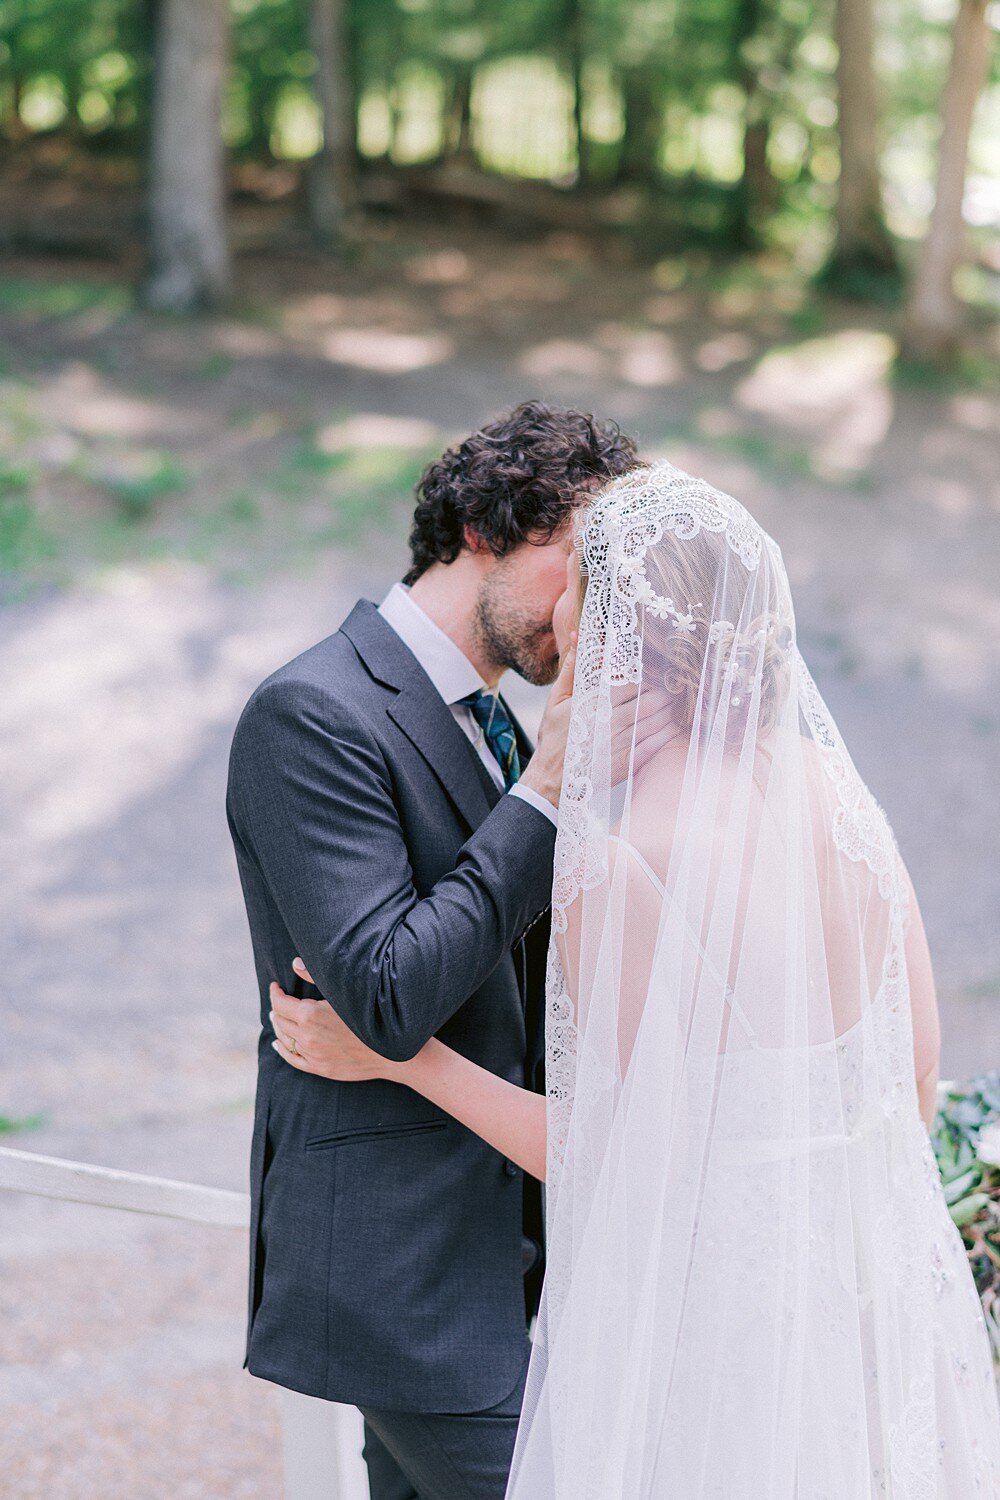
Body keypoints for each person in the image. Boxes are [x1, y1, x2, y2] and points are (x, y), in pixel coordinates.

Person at [272, 461, 1000, 1497]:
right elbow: (912, 1086)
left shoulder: (624, 854)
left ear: (603, 628)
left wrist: (412, 1065)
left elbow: (600, 1153)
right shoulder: (847, 811)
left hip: (714, 1321)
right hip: (861, 1303)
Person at [226, 401, 640, 1500]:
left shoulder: (508, 724)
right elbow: (387, 991)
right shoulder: (312, 712)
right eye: (583, 562)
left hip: (531, 1259)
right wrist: (543, 798)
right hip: (402, 1276)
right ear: (487, 529)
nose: (598, 606)